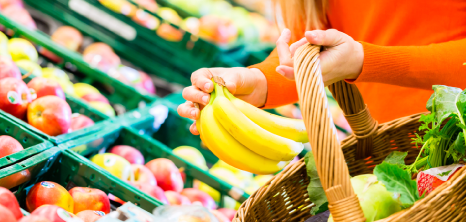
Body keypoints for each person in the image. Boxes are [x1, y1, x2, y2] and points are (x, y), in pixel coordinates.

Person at [178, 0, 466, 135]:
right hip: (388, 158)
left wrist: (365, 60)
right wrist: (257, 81)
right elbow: (307, 47)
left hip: (456, 149)